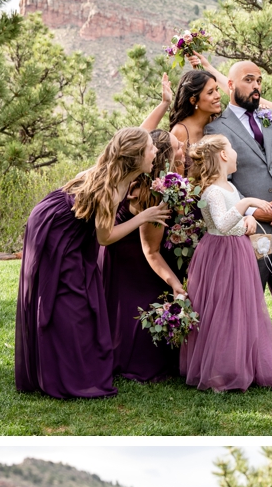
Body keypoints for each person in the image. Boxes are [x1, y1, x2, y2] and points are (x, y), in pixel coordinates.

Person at [12, 127, 167, 399]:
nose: (155, 151)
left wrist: (163, 104)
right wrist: (143, 218)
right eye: (150, 148)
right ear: (136, 156)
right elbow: (105, 238)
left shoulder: (125, 174)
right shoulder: (112, 187)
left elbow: (131, 136)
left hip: (70, 229)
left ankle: (71, 366)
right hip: (55, 229)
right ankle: (62, 373)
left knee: (79, 293)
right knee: (66, 295)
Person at [182, 135, 272, 392]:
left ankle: (242, 363)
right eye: (232, 148)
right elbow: (221, 223)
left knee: (242, 307)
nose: (235, 153)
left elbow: (236, 216)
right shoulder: (212, 191)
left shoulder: (231, 188)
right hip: (219, 254)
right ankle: (218, 370)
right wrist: (247, 203)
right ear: (222, 155)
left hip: (239, 251)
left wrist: (249, 219)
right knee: (221, 309)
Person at [203, 59, 272, 318]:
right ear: (231, 85)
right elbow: (222, 179)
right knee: (249, 302)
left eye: (258, 81)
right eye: (248, 80)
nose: (256, 86)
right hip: (253, 231)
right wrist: (251, 213)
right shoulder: (214, 129)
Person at [104, 130, 184, 383]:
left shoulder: (134, 179)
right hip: (135, 261)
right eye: (174, 146)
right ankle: (135, 361)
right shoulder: (155, 194)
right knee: (137, 308)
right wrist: (175, 284)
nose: (181, 147)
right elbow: (151, 250)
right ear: (163, 156)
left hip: (121, 256)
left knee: (124, 309)